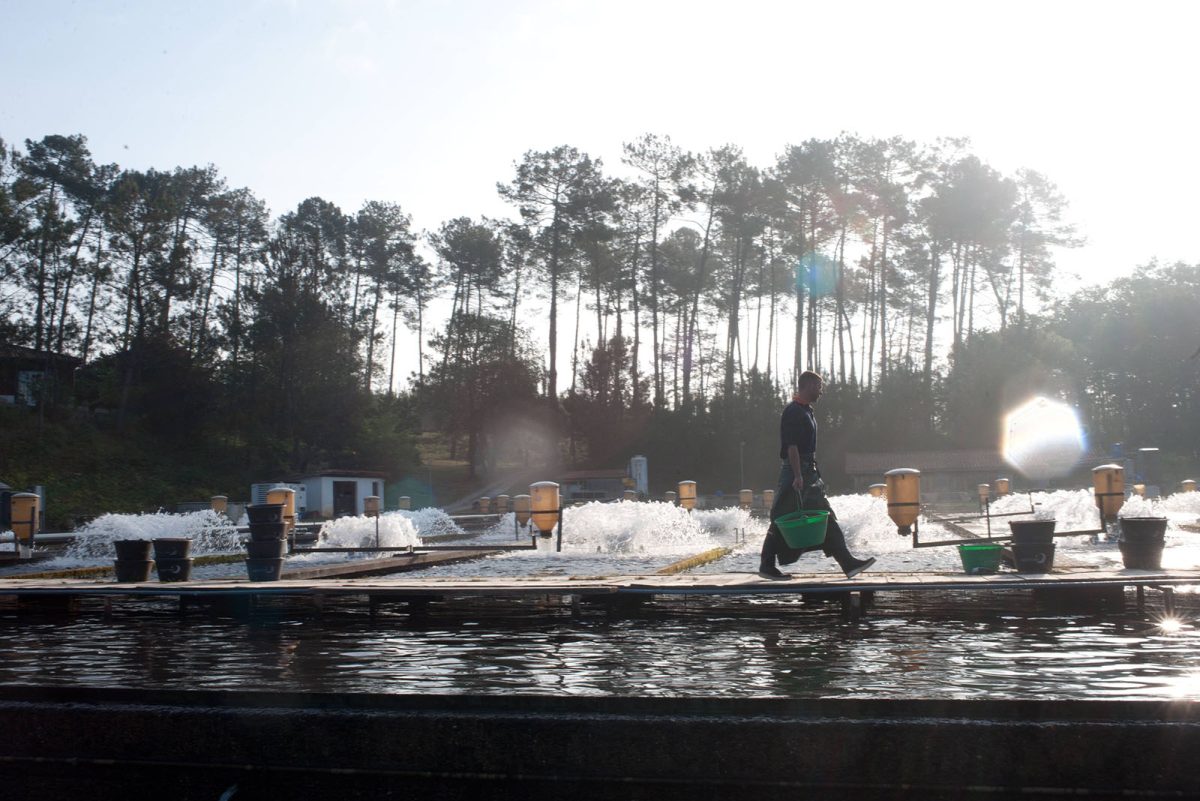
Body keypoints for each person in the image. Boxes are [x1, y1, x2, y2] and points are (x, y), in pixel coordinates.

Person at [759, 371, 876, 580]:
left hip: (808, 470)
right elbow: (791, 447)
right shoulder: (793, 411)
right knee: (781, 516)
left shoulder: (806, 411)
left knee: (824, 515)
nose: (821, 391)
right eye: (818, 386)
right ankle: (766, 565)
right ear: (808, 385)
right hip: (796, 471)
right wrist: (797, 475)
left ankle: (847, 562)